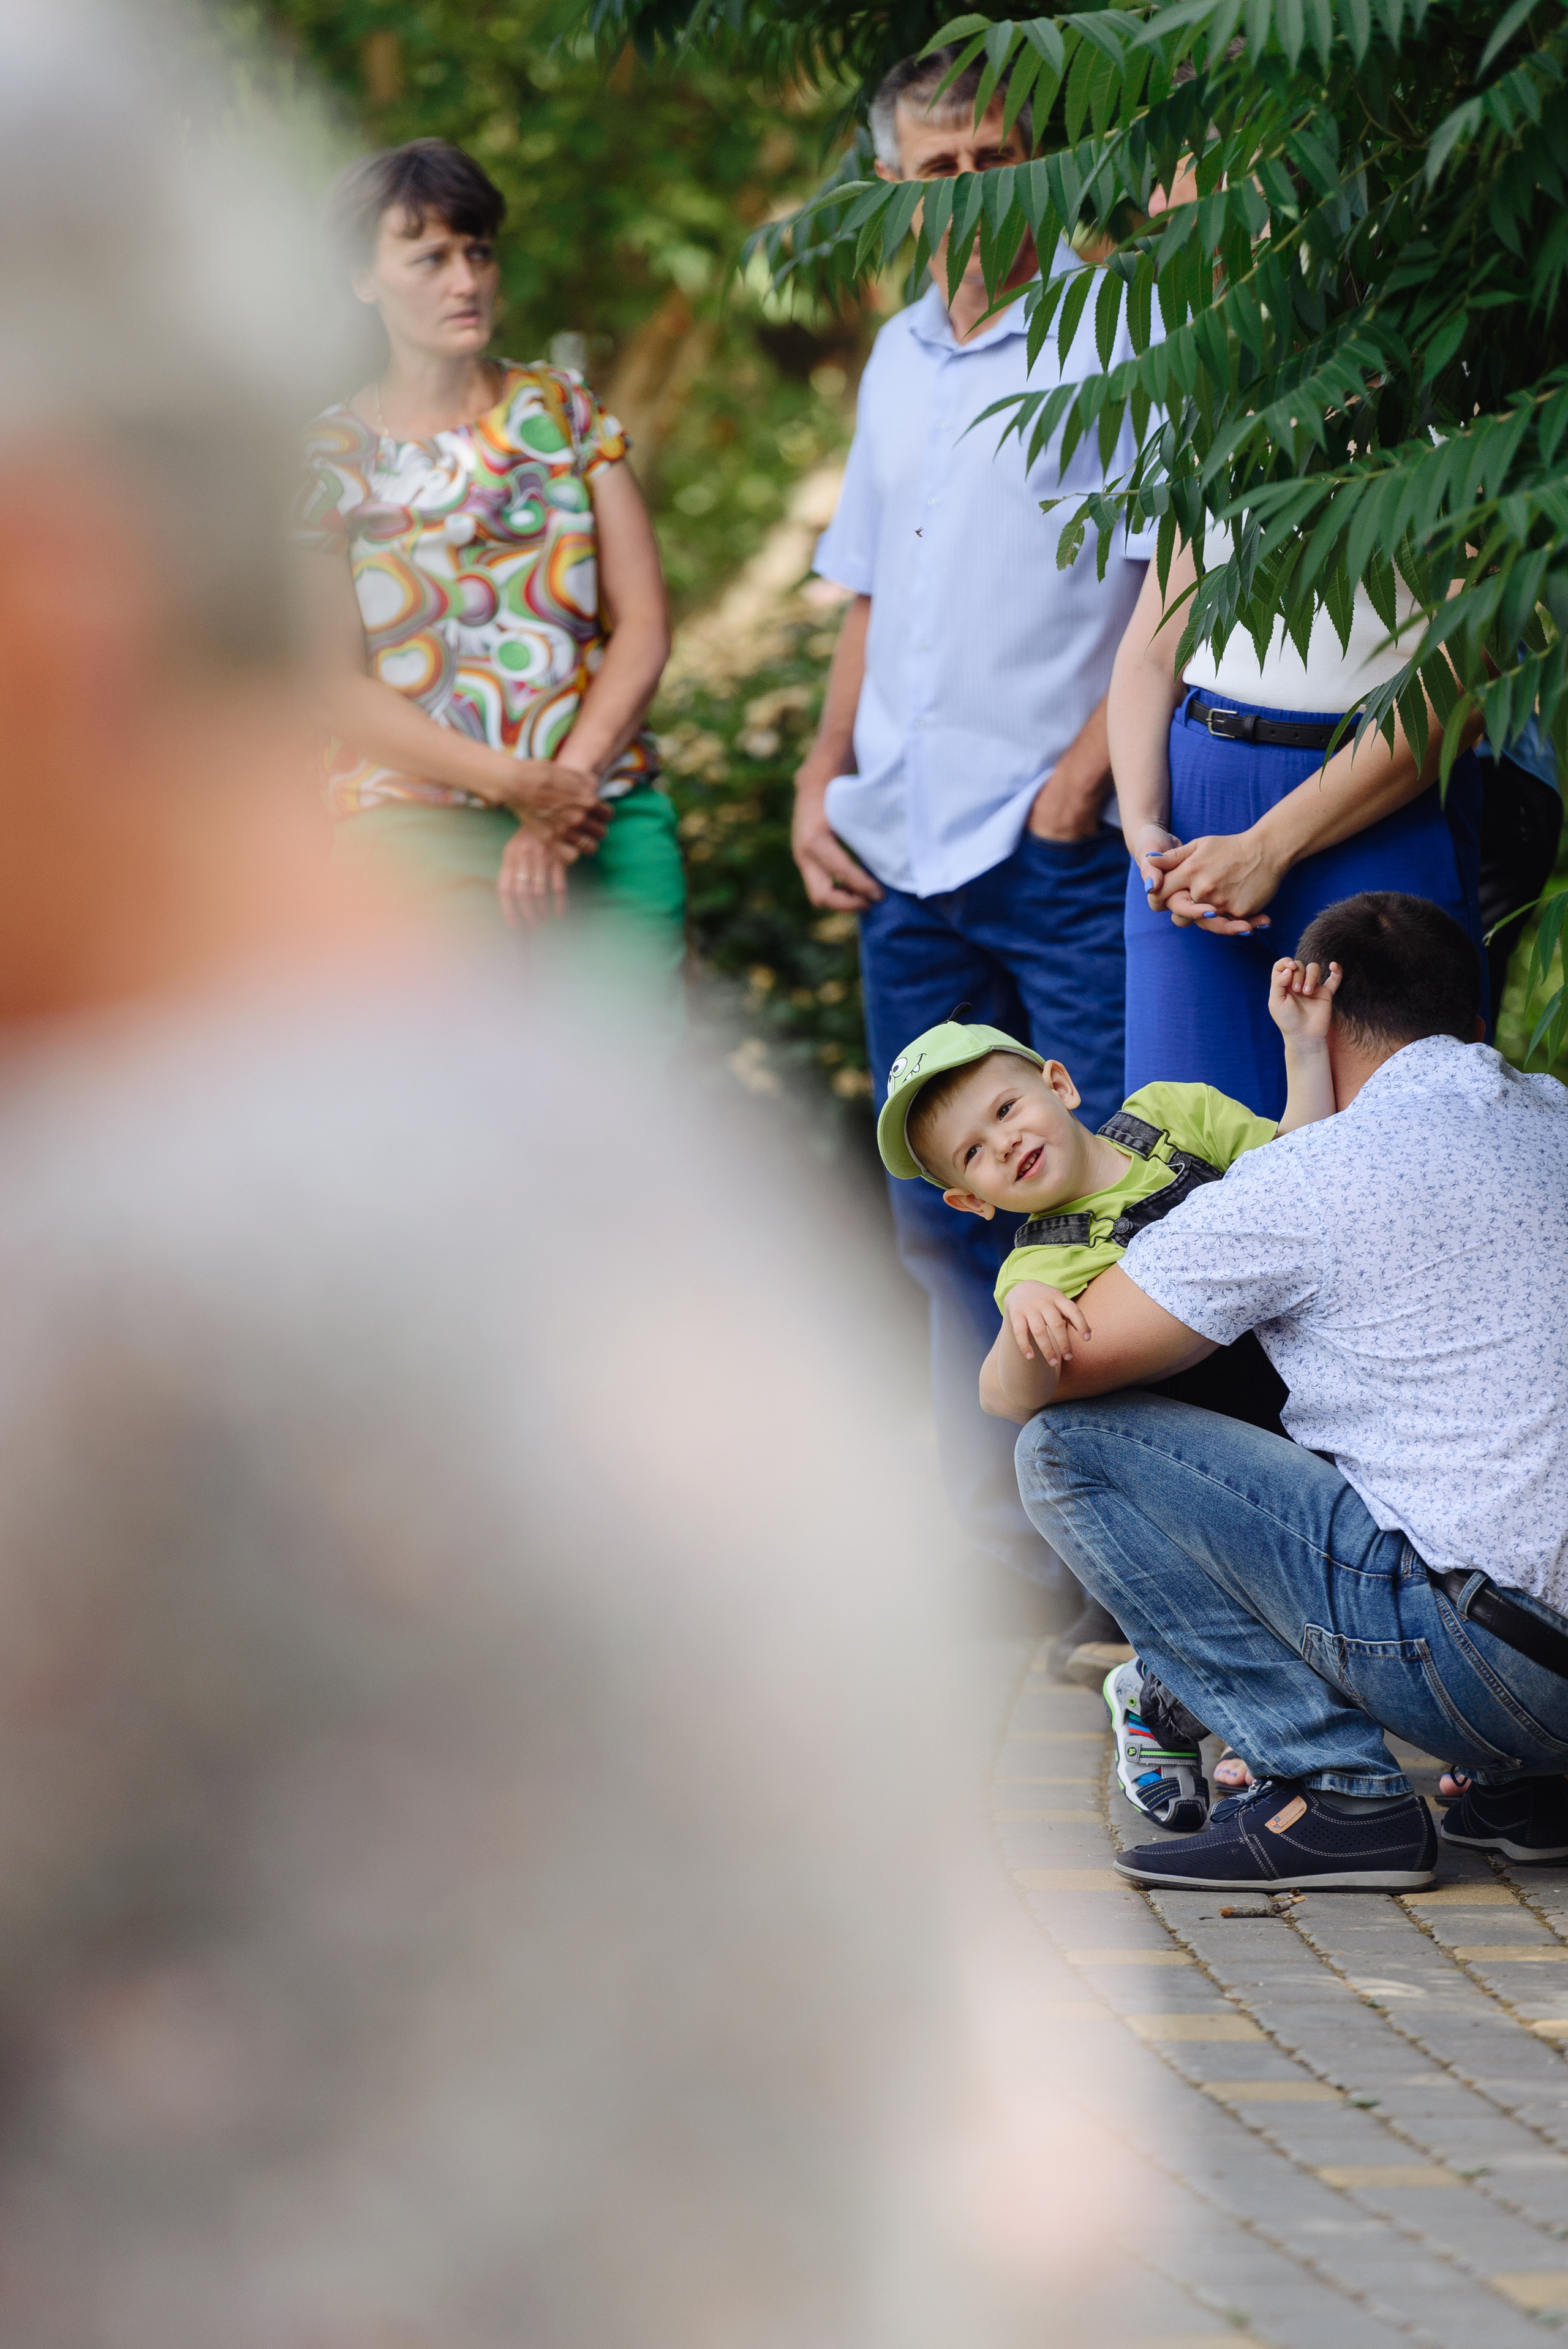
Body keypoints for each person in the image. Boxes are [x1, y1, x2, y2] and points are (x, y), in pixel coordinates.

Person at [0, 11, 1087, 2336]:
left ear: (69, 564)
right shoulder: (618, 1249)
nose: (461, 276)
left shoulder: (173, 1263)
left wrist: (567, 785)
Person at [990, 891, 1568, 1891]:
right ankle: (1534, 1789)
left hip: (1496, 1666)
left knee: (1065, 1447)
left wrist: (1024, 1301)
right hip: (1534, 1668)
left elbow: (1045, 1382)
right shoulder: (1556, 1113)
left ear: (1322, 1013)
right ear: (1474, 1020)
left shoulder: (1301, 1178)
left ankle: (1336, 1795)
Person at [795, 47, 1157, 1632]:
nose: (971, 194)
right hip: (908, 859)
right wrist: (821, 775)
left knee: (1108, 1198)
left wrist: (1084, 774)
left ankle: (1131, 1552)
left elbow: (1172, 571)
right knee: (938, 1216)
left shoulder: (1125, 327)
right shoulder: (891, 360)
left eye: (998, 158)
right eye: (937, 170)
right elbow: (872, 590)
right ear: (892, 185)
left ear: (1049, 165)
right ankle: (996, 1561)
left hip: (1056, 845)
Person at [875, 951, 1337, 1724]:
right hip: (1222, 1457)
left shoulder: (1173, 1115)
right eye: (973, 1155)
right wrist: (1021, 1312)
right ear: (968, 1200)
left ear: (1057, 1084)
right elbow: (1015, 1402)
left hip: (1317, 1388)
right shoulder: (1039, 1263)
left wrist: (1305, 1048)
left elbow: (1302, 1171)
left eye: (1004, 1110)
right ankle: (1201, 1706)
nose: (1005, 1144)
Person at [299, 138, 685, 989]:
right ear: (364, 277)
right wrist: (519, 786)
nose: (465, 281)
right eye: (428, 257)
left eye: (477, 251)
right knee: (456, 1116)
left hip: (601, 819)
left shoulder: (566, 410)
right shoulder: (328, 458)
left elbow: (646, 623)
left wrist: (562, 797)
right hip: (410, 836)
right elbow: (332, 684)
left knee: (630, 1101)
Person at [1109, 537, 1486, 1118]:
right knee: (1180, 1147)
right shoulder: (1207, 444)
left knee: (1397, 1140)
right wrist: (1143, 830)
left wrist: (1265, 850)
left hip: (1377, 794)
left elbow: (1469, 668)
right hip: (1191, 815)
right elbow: (1152, 653)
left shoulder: (1460, 444)